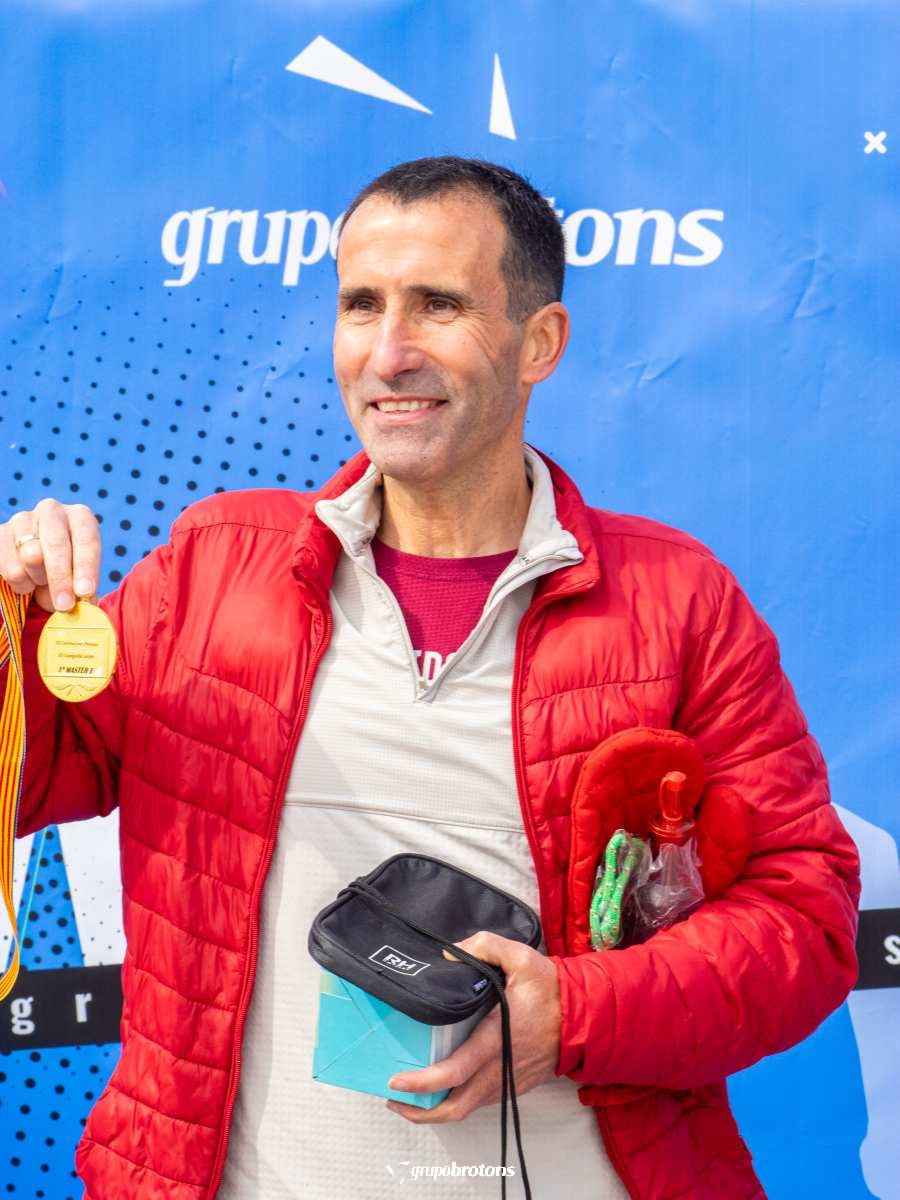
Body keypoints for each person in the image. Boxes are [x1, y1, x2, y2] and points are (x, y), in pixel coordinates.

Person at [0, 157, 859, 1200]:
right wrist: (6, 630)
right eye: (361, 304)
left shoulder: (677, 603)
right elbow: (28, 780)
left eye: (438, 305)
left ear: (539, 342)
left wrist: (574, 1016)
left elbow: (805, 918)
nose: (388, 352)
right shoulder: (210, 567)